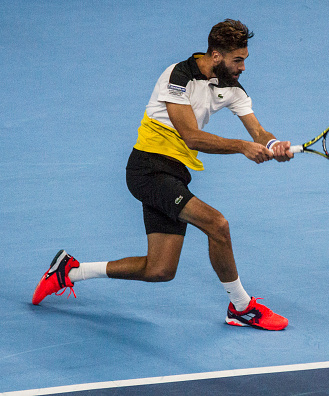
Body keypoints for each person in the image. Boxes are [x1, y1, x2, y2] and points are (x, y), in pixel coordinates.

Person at [32, 19, 292, 331]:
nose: (243, 67)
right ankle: (241, 307)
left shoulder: (233, 90)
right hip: (148, 169)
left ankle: (69, 272)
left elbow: (259, 131)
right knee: (217, 224)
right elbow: (191, 137)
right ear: (217, 56)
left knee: (160, 269)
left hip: (175, 176)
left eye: (245, 60)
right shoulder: (177, 76)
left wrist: (274, 145)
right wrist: (243, 147)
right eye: (238, 60)